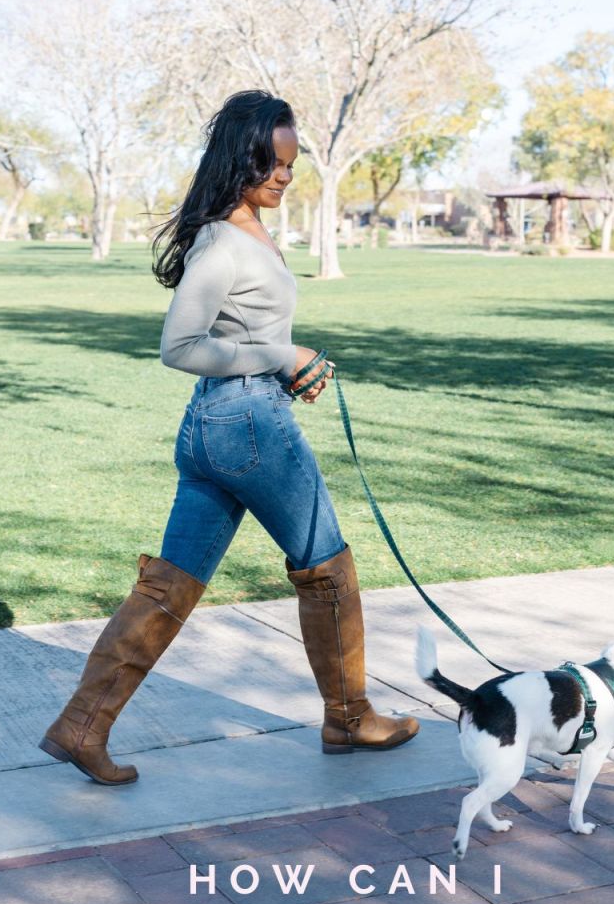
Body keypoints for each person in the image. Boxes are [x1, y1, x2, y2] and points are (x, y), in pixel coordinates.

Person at [38, 89, 419, 785]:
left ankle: (81, 727)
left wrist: (283, 360)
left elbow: (242, 337)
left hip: (220, 424)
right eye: (269, 163)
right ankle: (349, 715)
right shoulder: (222, 241)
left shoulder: (247, 229)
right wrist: (278, 359)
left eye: (290, 165)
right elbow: (179, 345)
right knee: (326, 566)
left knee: (168, 587)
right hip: (247, 426)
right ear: (237, 158)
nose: (282, 176)